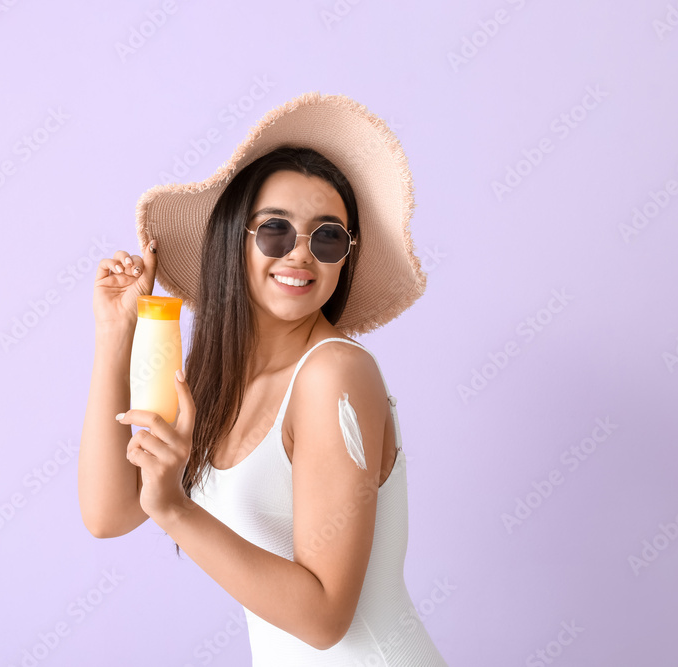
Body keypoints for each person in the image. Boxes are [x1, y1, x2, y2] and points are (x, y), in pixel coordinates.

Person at [78, 92, 448, 666]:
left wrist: (178, 509)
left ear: (344, 258)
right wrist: (113, 335)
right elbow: (109, 514)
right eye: (275, 230)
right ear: (235, 237)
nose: (301, 255)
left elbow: (325, 619)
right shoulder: (216, 381)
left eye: (327, 237)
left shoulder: (334, 374)